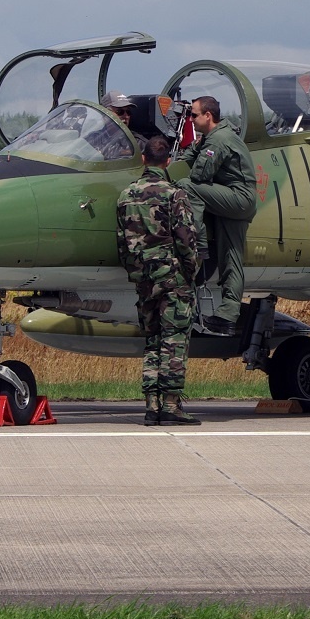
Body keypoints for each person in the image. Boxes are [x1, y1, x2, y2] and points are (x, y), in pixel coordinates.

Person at [116, 134, 203, 426]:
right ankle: (171, 405)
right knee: (174, 340)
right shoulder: (174, 194)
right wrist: (191, 272)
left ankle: (151, 406)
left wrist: (136, 272)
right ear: (168, 161)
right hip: (172, 277)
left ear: (143, 159)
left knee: (152, 340)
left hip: (144, 278)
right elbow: (186, 239)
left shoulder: (126, 195)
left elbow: (121, 242)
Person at [176, 95, 257, 336]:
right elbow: (188, 156)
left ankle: (198, 244)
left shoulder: (218, 140)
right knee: (231, 260)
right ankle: (228, 316)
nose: (191, 119)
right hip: (234, 200)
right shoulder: (211, 137)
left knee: (186, 185)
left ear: (207, 116)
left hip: (238, 198)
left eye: (194, 115)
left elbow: (199, 175)